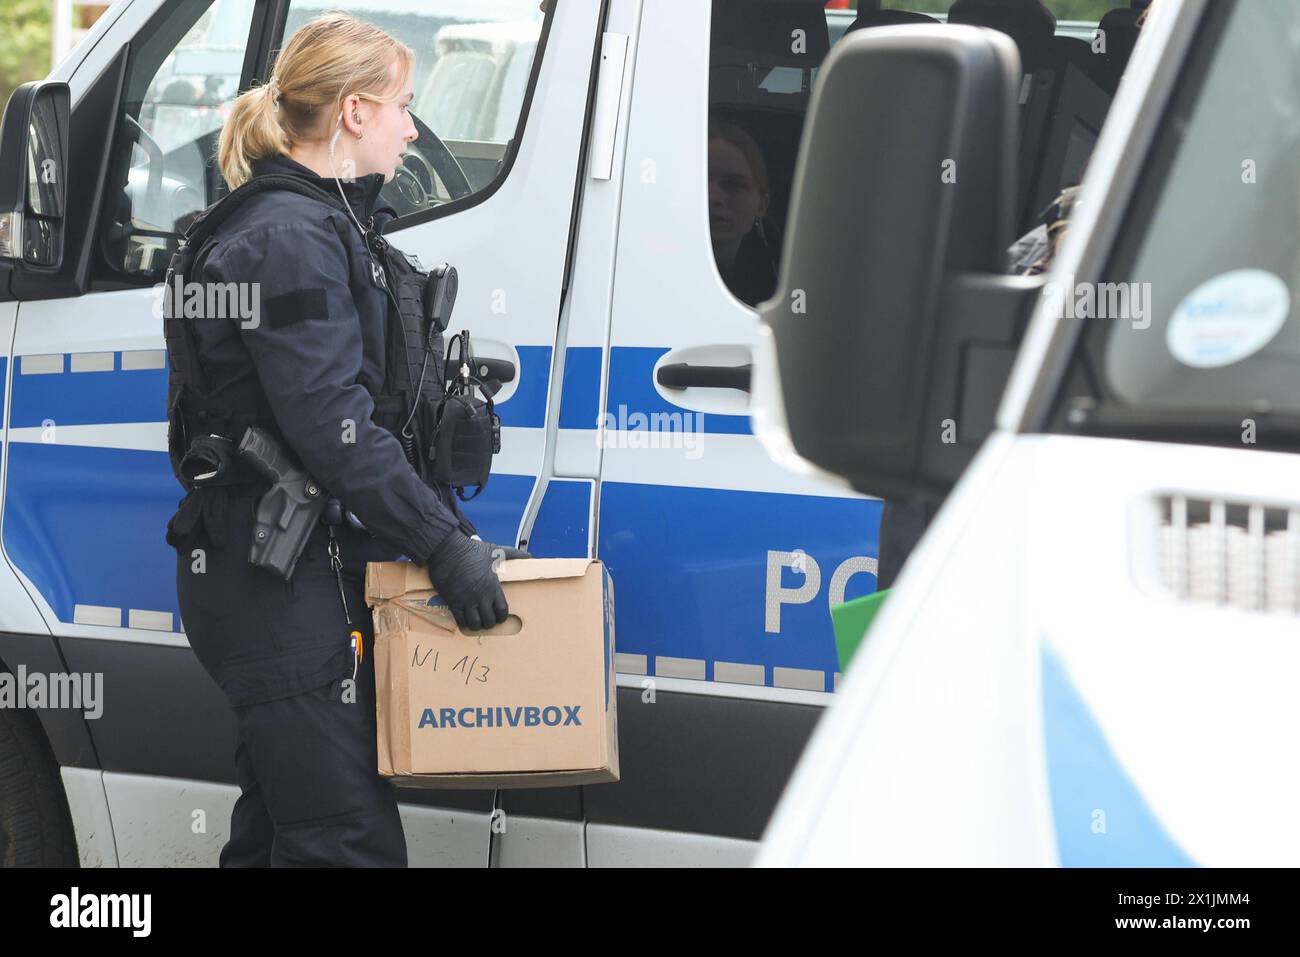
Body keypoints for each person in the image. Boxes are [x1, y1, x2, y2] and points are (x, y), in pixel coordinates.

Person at [164, 12, 523, 867]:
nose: (411, 126)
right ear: (355, 112)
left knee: (280, 835)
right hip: (275, 585)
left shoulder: (324, 225)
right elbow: (337, 429)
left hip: (291, 581)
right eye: (403, 104)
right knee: (345, 844)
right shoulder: (287, 237)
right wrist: (446, 544)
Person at [708, 120, 779, 306]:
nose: (713, 197)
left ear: (762, 204)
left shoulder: (782, 280)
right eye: (699, 181)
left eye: (733, 185)